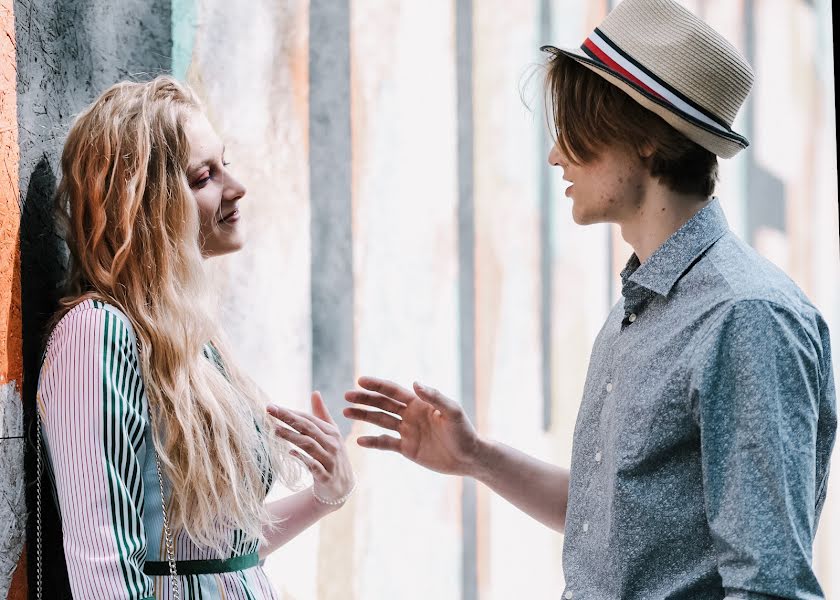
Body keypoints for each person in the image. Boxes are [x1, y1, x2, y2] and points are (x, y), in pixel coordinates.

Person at [343, 0, 837, 598]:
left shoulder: (746, 316)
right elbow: (614, 522)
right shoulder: (645, 301)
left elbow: (771, 585)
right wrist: (477, 457)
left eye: (577, 128)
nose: (556, 154)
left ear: (647, 138)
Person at [35, 76, 355, 599]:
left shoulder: (192, 343)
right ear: (143, 204)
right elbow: (103, 570)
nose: (236, 186)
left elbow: (218, 556)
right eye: (204, 176)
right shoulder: (96, 334)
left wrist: (325, 497)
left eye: (223, 163)